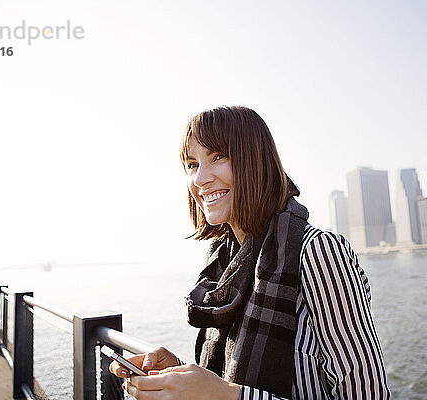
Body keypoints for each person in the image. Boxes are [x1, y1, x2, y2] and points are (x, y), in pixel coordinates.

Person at [109, 106, 391, 399]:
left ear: (255, 161)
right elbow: (230, 382)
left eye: (218, 156)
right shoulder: (224, 259)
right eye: (192, 164)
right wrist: (179, 374)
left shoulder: (318, 252)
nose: (200, 179)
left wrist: (228, 397)